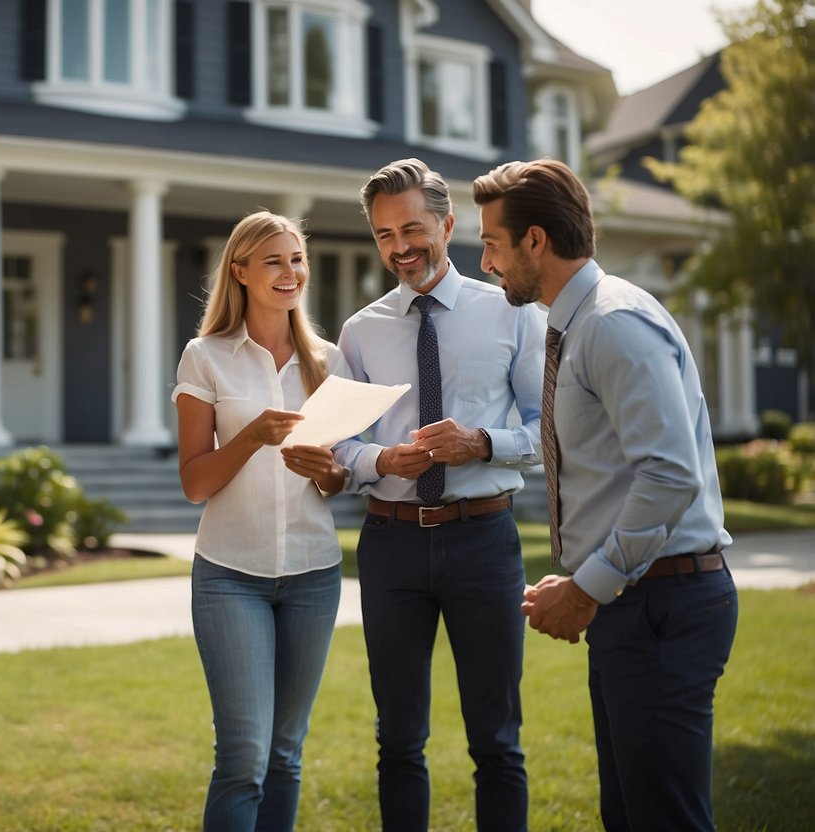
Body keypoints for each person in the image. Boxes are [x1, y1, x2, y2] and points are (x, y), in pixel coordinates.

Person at [472, 158, 738, 831]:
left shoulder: (612, 323)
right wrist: (588, 584)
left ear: (535, 241)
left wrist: (588, 587)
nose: (485, 264)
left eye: (492, 244)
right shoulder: (578, 321)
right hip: (636, 603)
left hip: (663, 606)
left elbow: (669, 475)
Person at [333, 158, 546, 831]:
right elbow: (335, 446)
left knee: (496, 740)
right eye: (383, 234)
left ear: (448, 224)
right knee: (397, 738)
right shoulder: (360, 331)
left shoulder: (510, 314)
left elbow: (554, 430)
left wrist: (482, 443)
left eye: (412, 228)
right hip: (390, 545)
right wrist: (378, 458)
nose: (400, 247)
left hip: (482, 540)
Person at [172, 210, 350, 831]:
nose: (289, 272)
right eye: (273, 261)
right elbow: (195, 482)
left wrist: (324, 471)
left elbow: (338, 480)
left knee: (285, 752)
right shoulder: (206, 357)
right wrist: (250, 437)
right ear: (240, 271)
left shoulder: (328, 361)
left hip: (313, 574)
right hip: (230, 575)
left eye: (296, 259)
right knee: (244, 754)